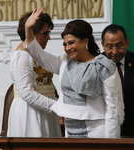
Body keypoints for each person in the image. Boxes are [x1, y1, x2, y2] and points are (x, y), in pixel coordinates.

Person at [24, 7, 124, 138]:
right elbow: (38, 54)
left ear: (85, 41)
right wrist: (28, 29)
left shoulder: (103, 65)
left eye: (71, 43)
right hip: (70, 130)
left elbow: (113, 107)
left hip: (97, 130)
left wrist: (111, 141)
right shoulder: (64, 61)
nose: (68, 48)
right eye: (65, 44)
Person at [7, 11, 61, 137]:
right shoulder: (21, 55)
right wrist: (57, 106)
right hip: (30, 113)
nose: (48, 37)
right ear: (31, 32)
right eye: (45, 33)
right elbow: (26, 93)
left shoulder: (40, 55)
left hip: (45, 109)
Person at [101, 24, 134, 137]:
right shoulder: (95, 65)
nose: (115, 52)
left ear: (127, 43)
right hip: (103, 129)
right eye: (109, 47)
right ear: (103, 45)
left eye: (119, 46)